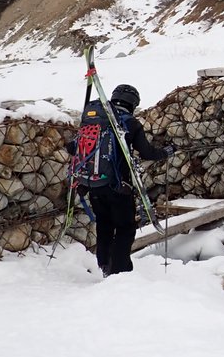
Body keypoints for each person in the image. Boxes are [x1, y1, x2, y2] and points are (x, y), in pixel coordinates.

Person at [71, 84, 173, 276]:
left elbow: (72, 148)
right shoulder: (129, 123)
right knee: (125, 228)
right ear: (133, 104)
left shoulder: (94, 121)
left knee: (104, 223)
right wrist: (167, 152)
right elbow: (147, 152)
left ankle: (104, 265)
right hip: (119, 187)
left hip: (93, 184)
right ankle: (120, 271)